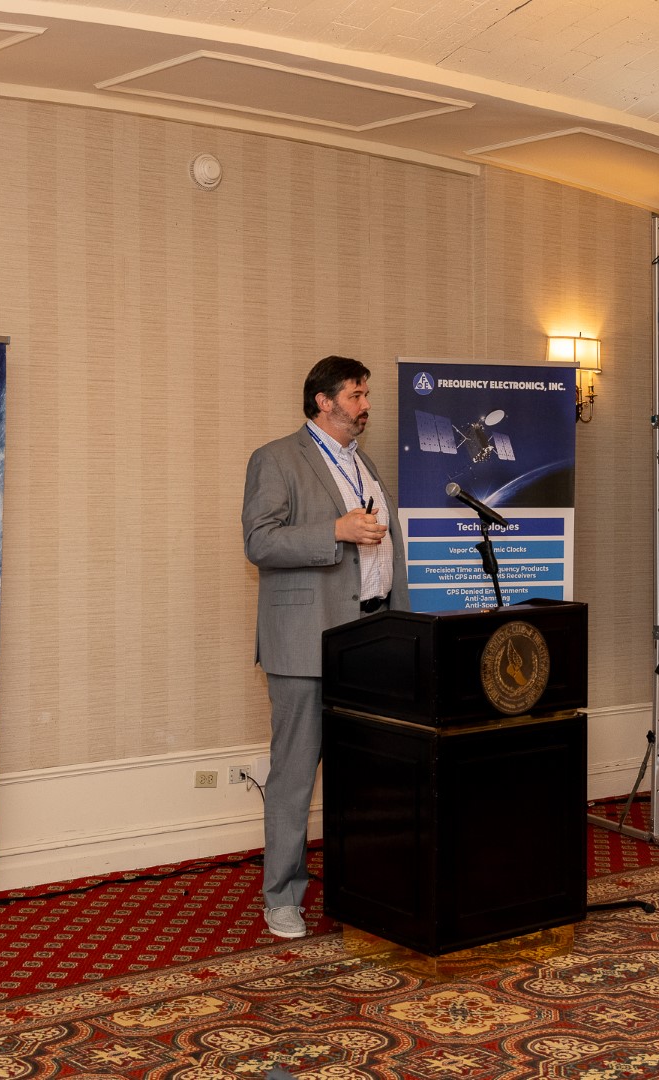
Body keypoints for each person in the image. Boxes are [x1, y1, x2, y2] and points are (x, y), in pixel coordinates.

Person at [242, 355, 409, 940]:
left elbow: (385, 551)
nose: (366, 405)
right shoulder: (276, 458)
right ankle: (282, 897)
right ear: (324, 401)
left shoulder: (363, 465)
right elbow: (259, 541)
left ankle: (358, 884)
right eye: (357, 395)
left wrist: (400, 624)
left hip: (369, 640)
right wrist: (334, 531)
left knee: (364, 771)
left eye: (365, 395)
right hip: (304, 643)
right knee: (294, 775)